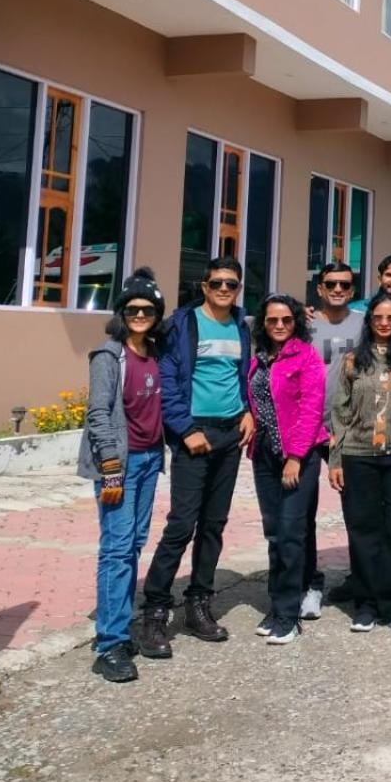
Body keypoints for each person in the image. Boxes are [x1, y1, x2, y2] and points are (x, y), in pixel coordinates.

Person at [136, 257, 255, 657]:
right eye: (218, 282)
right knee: (182, 524)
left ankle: (199, 603)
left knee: (214, 525)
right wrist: (186, 430)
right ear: (204, 286)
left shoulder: (241, 324)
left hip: (229, 433)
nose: (225, 289)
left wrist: (248, 413)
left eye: (232, 284)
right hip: (194, 432)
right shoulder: (182, 325)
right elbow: (168, 381)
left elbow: (243, 375)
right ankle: (154, 609)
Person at [79, 268, 168, 682]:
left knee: (132, 544)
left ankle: (119, 628)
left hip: (150, 460)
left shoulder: (154, 353)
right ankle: (109, 644)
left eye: (147, 309)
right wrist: (111, 468)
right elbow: (98, 413)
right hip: (121, 465)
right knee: (115, 549)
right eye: (132, 308)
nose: (139, 315)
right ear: (121, 312)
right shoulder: (108, 355)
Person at [329, 293, 391, 632]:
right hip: (358, 456)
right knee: (363, 531)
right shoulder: (351, 361)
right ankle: (366, 603)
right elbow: (339, 413)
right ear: (369, 320)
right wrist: (336, 460)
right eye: (378, 317)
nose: (385, 323)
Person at [247, 293, 327, 645]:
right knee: (274, 533)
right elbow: (255, 400)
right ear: (263, 324)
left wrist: (295, 456)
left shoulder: (306, 356)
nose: (279, 326)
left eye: (286, 320)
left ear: (296, 322)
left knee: (292, 532)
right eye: (271, 320)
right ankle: (276, 604)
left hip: (299, 455)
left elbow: (312, 408)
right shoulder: (260, 358)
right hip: (264, 453)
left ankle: (289, 614)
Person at [304, 260, 365, 613]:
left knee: (358, 510)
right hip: (312, 428)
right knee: (302, 510)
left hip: (353, 429)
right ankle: (309, 580)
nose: (338, 289)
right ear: (320, 288)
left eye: (344, 284)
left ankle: (362, 578)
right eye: (331, 284)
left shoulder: (364, 323)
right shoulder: (304, 323)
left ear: (352, 290)